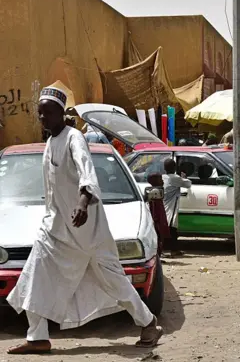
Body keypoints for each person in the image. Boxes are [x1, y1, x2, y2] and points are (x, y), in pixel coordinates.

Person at [6, 85, 163, 355]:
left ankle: (148, 322)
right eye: (39, 113)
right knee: (34, 276)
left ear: (60, 114)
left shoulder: (73, 138)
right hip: (55, 229)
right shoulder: (51, 143)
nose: (42, 118)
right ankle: (37, 337)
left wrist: (82, 203)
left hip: (87, 232)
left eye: (48, 113)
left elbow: (86, 172)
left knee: (112, 279)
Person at [162, 158, 192, 257]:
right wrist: (184, 177)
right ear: (174, 168)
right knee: (172, 230)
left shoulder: (163, 177)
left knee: (166, 229)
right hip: (170, 207)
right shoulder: (174, 178)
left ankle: (171, 249)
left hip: (164, 206)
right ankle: (172, 250)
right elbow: (188, 184)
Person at [147, 173, 170, 256]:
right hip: (157, 220)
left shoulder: (159, 191)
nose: (163, 181)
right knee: (158, 238)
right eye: (160, 179)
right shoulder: (154, 192)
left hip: (160, 218)